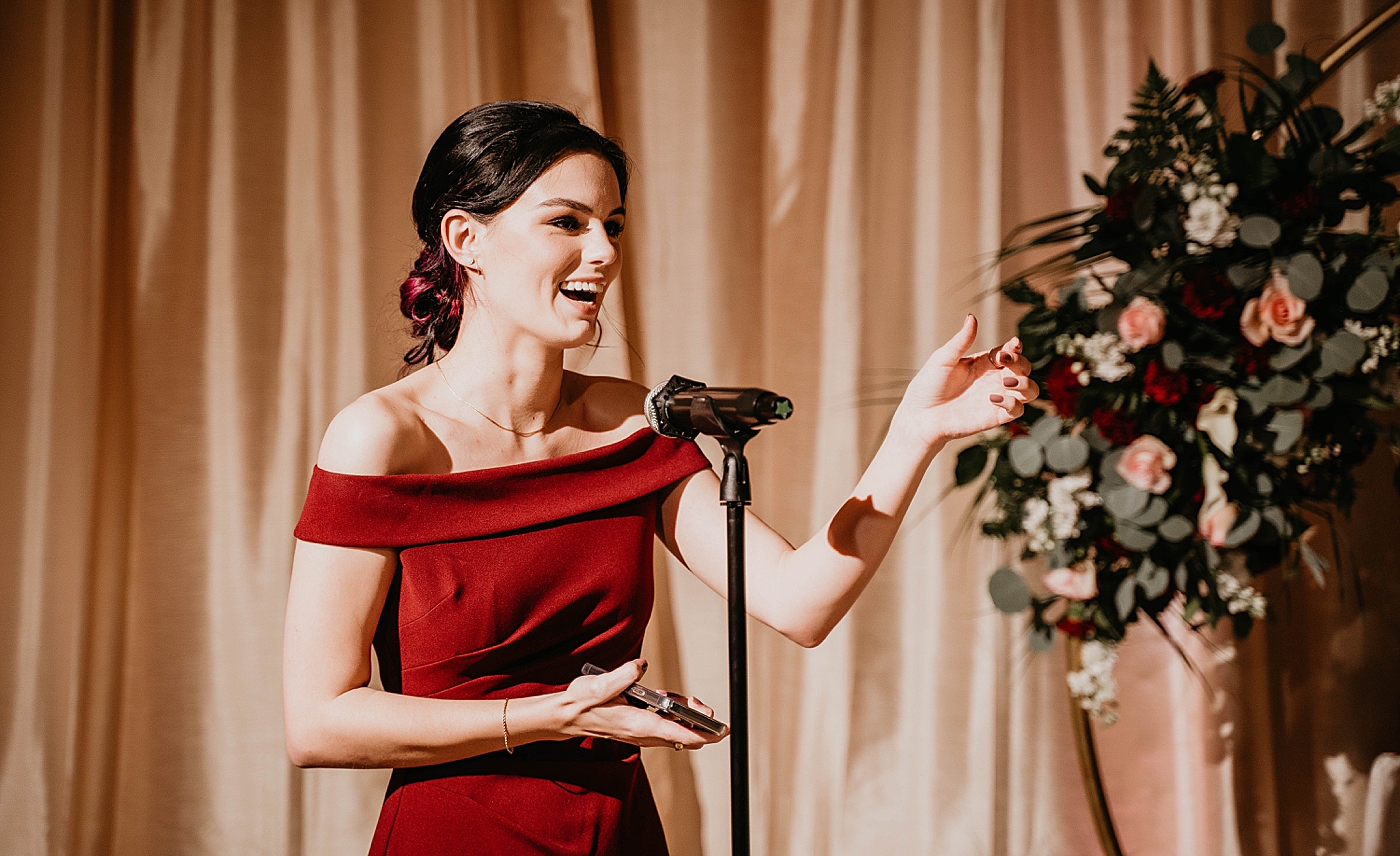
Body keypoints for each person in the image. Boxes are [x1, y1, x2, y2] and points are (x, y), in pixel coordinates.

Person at [282, 100, 1037, 856]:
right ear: (465, 238)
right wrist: (555, 715)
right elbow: (317, 721)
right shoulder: (382, 437)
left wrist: (915, 431)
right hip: (456, 835)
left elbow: (800, 602)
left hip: (618, 830)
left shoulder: (628, 420)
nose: (604, 251)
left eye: (612, 224)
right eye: (567, 222)